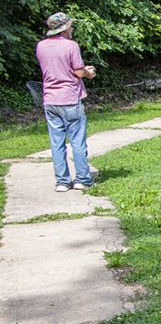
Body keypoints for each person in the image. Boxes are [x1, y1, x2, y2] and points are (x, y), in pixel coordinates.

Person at [35, 12, 96, 192]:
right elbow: (77, 72)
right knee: (77, 141)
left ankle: (62, 181)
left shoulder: (41, 46)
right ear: (65, 28)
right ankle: (82, 179)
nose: (72, 29)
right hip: (69, 98)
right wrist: (88, 72)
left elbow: (54, 68)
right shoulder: (71, 46)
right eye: (70, 26)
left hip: (50, 100)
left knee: (56, 142)